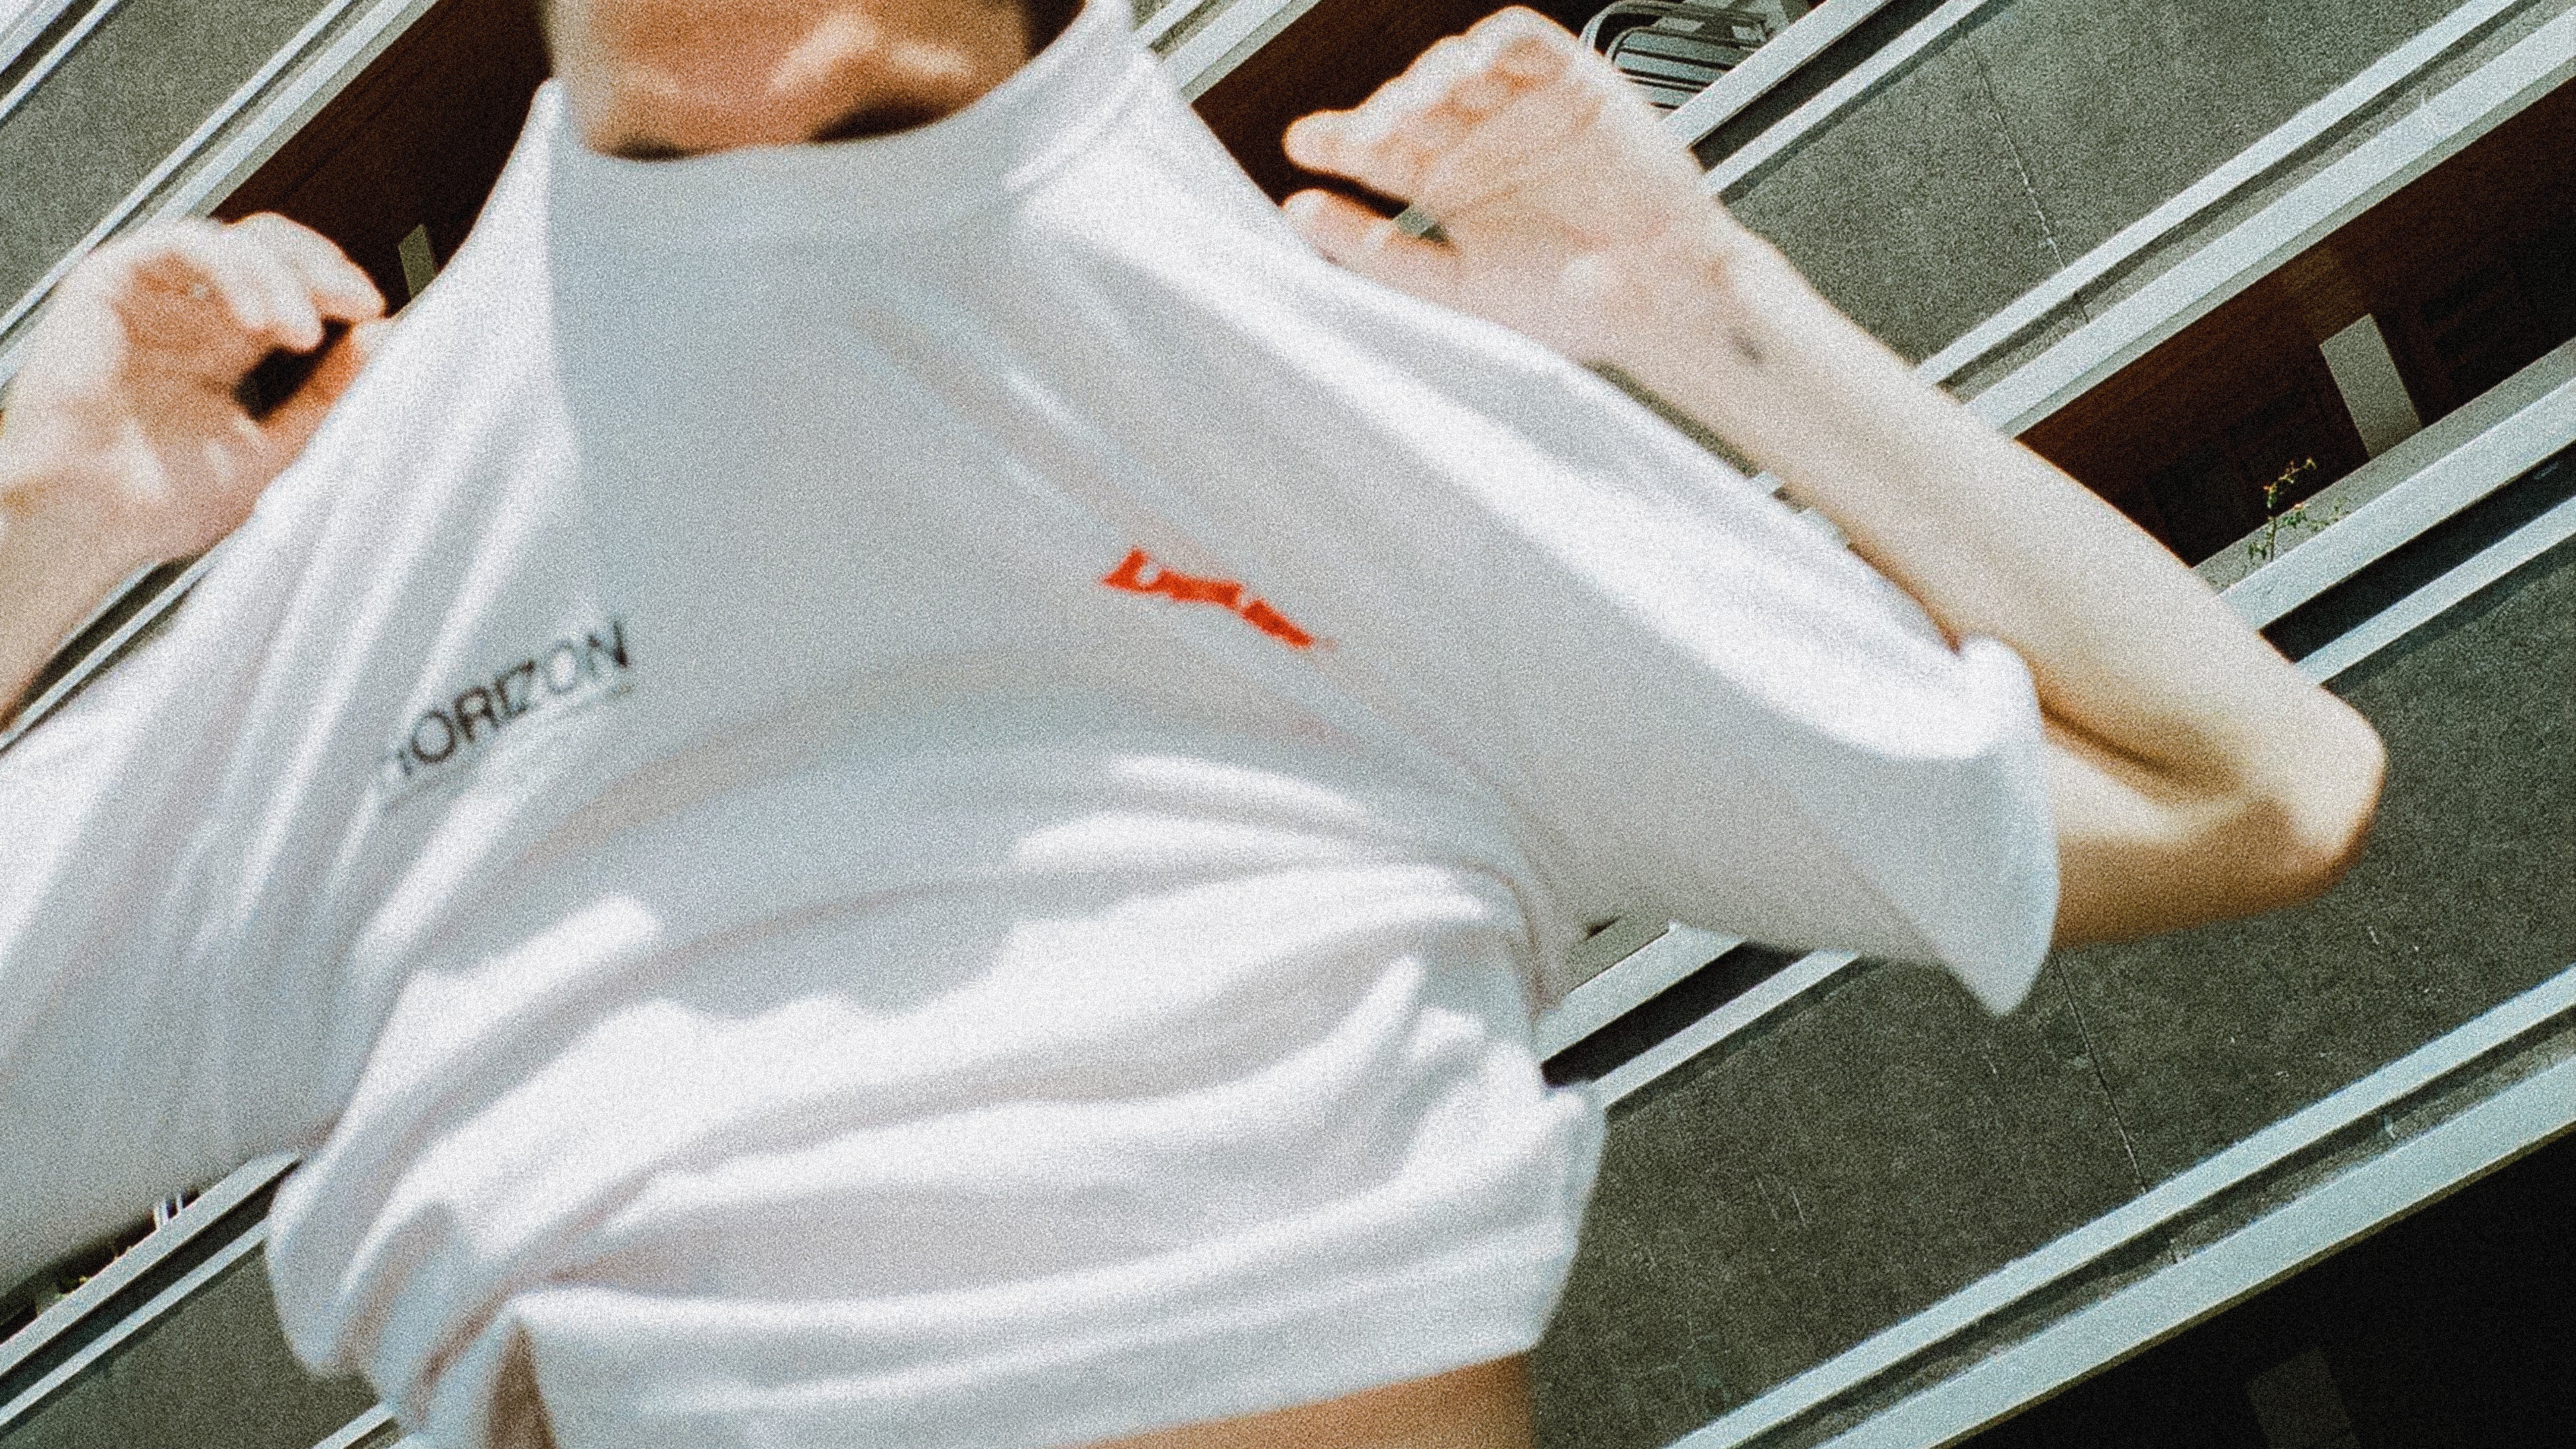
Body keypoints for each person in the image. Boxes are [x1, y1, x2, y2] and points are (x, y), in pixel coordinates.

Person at [0, 3, 2383, 1448]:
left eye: (871, 124)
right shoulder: (386, 550)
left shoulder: (1330, 423)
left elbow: (2261, 790)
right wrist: (39, 516)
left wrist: (1695, 299)